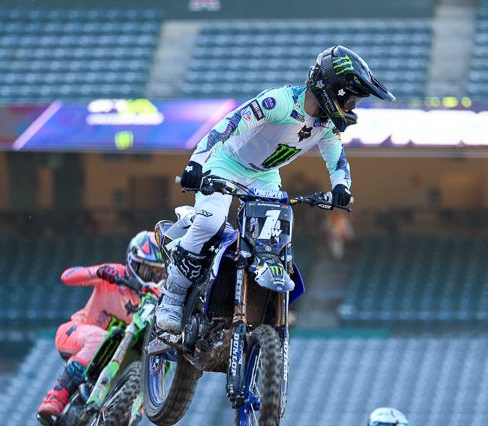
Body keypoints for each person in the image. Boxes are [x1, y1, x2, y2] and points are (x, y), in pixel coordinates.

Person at [156, 45, 395, 333]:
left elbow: (337, 160)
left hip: (264, 176)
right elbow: (230, 124)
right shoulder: (279, 102)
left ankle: (245, 307)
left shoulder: (326, 125)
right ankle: (172, 298)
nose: (351, 108)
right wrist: (197, 162)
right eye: (351, 99)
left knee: (271, 243)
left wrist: (342, 187)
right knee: (209, 223)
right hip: (226, 163)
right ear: (333, 89)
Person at [37, 231, 165, 426]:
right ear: (133, 262)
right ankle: (56, 397)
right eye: (147, 270)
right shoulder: (114, 274)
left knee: (153, 372)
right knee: (99, 338)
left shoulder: (156, 299)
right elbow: (68, 277)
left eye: (157, 273)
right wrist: (99, 272)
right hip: (76, 334)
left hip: (114, 360)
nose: (151, 278)